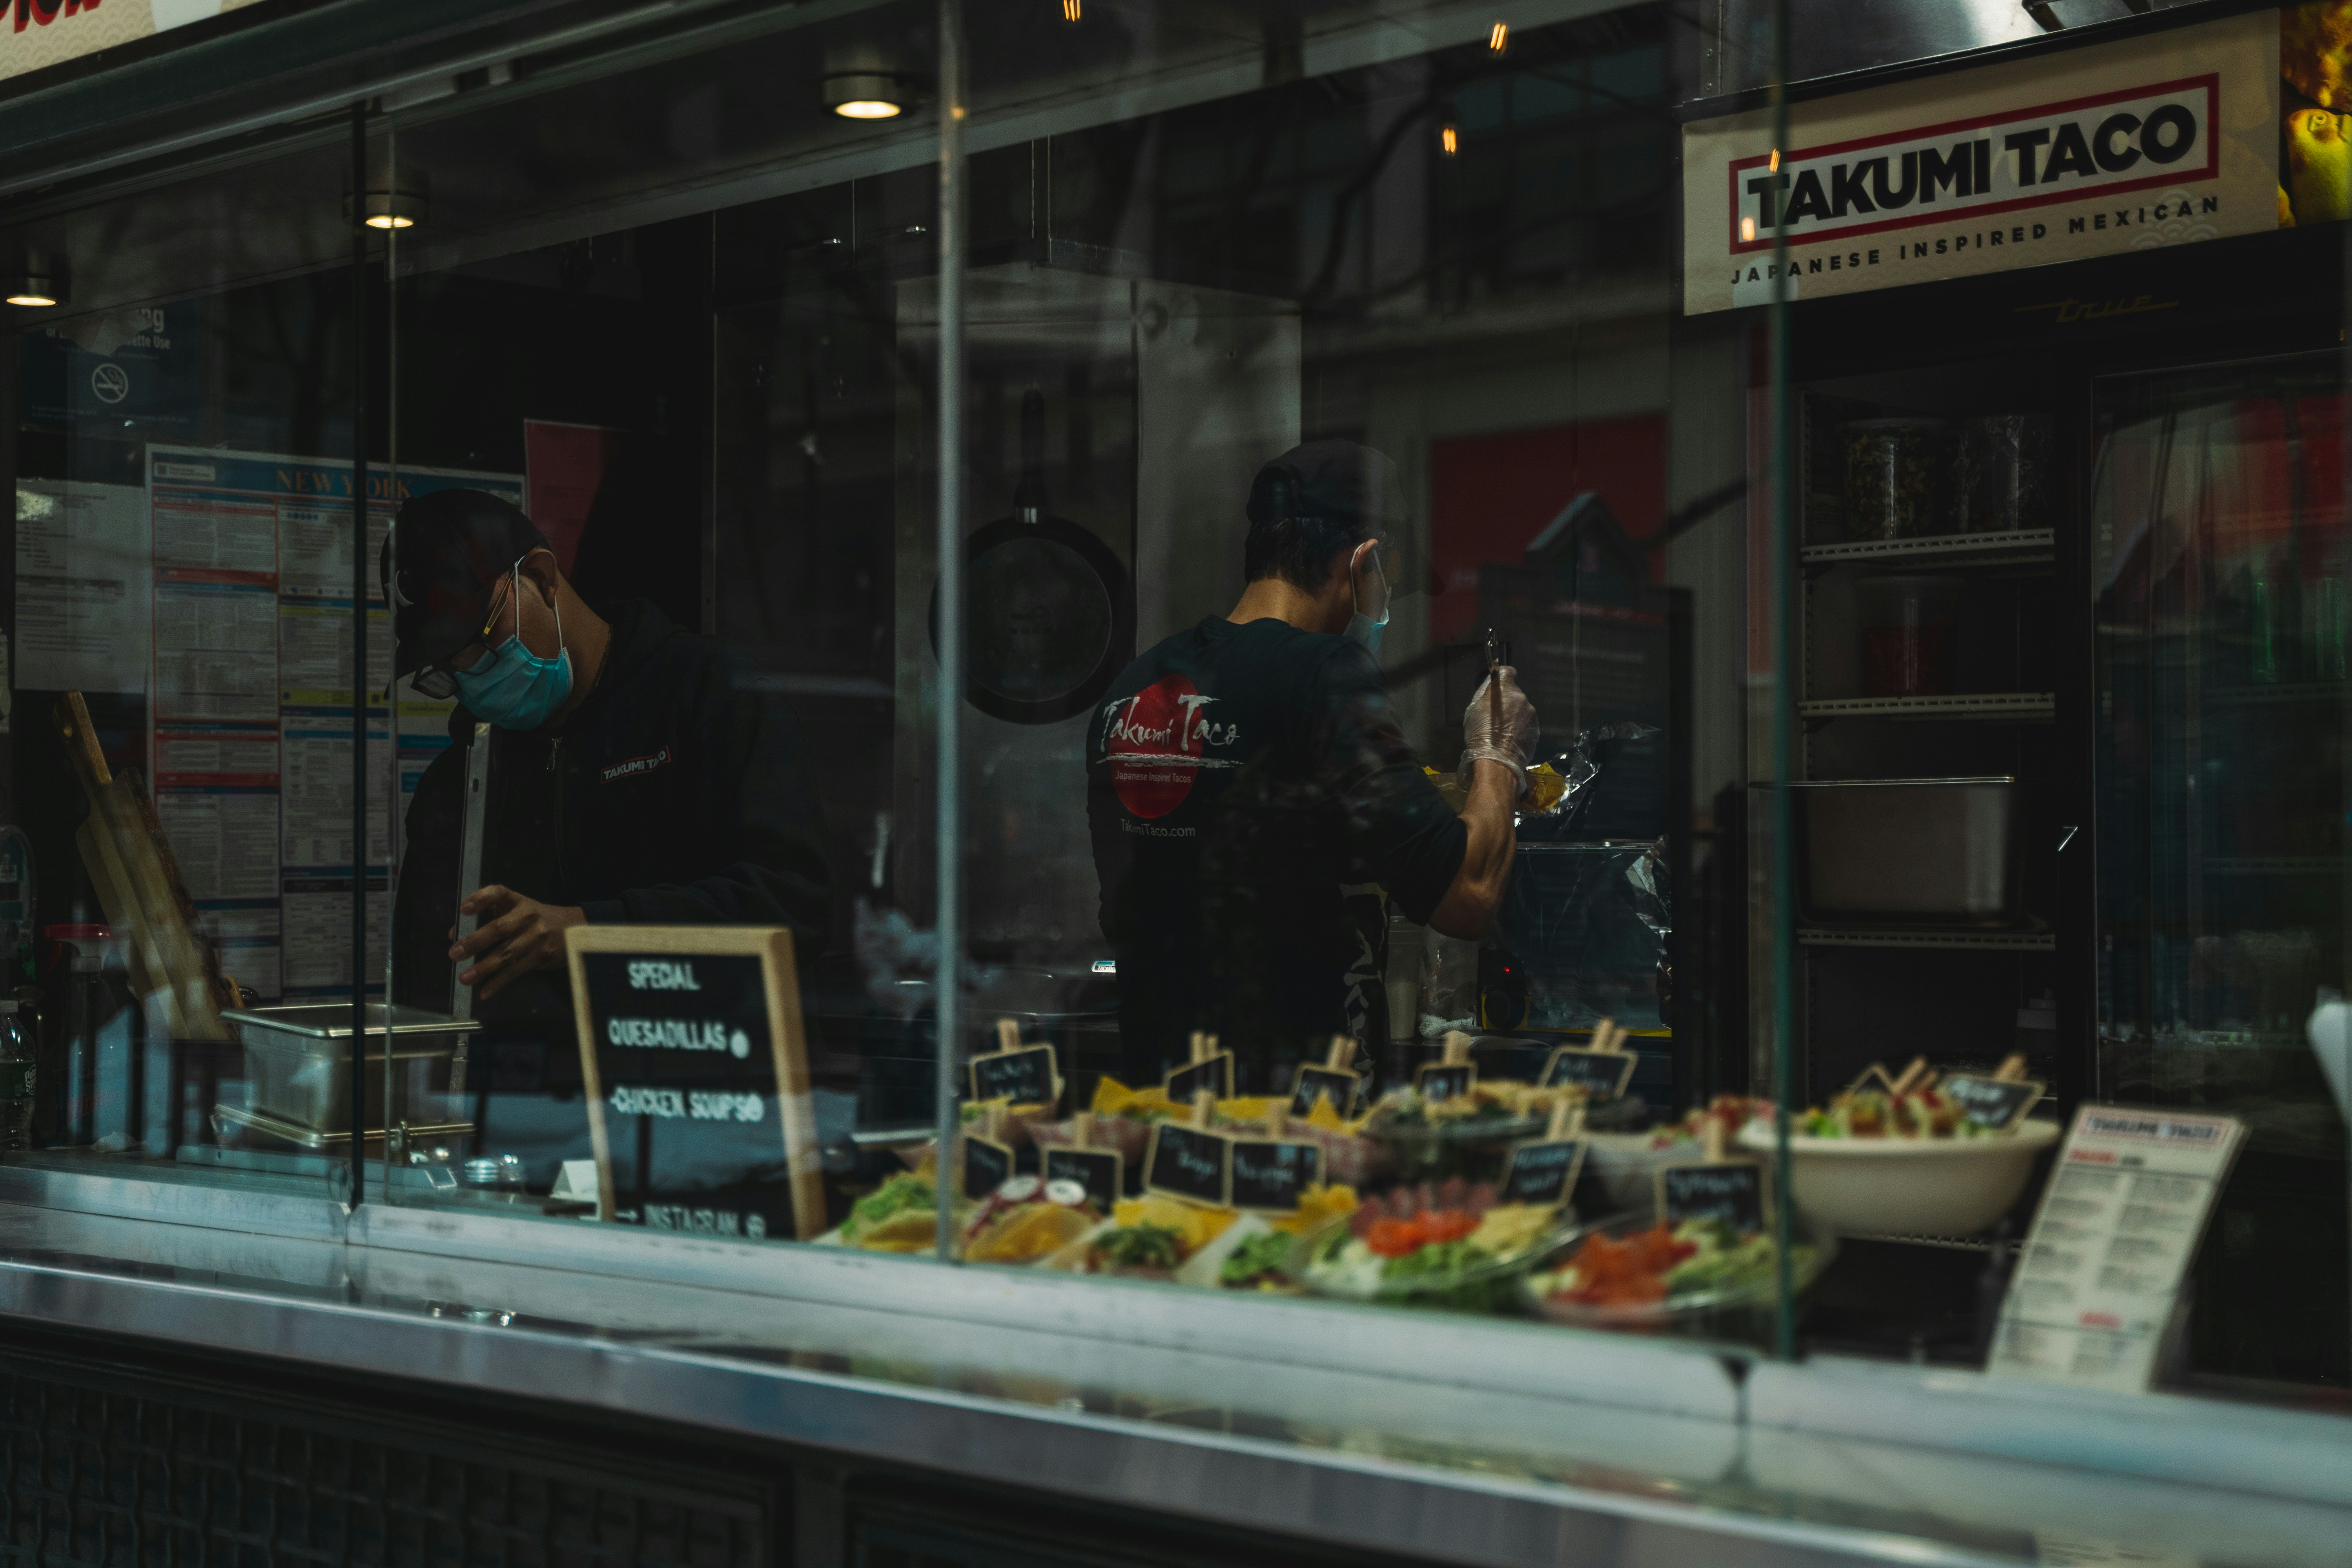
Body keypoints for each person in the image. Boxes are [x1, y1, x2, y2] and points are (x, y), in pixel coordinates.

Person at [1085, 439, 1536, 1091]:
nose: (1384, 612)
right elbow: (1467, 896)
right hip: (1293, 1130)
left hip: (1160, 1114)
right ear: (1365, 560)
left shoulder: (1134, 686)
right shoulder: (1325, 675)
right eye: (1391, 585)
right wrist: (1498, 752)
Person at [385, 490, 831, 1022]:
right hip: (527, 1098)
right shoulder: (462, 777)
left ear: (543, 578)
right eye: (446, 671)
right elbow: (426, 984)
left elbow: (791, 905)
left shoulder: (706, 697)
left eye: (481, 642)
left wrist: (588, 931)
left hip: (696, 1079)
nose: (470, 679)